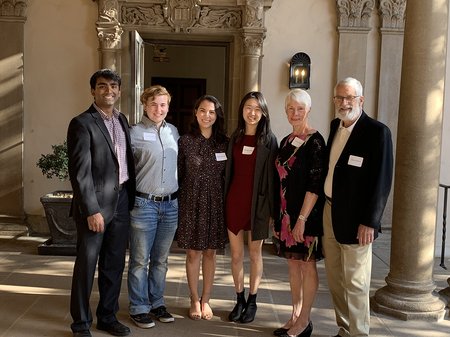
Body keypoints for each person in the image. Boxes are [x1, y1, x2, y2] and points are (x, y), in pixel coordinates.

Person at [67, 69, 136, 337]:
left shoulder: (122, 121)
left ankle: (107, 317)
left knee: (114, 264)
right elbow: (80, 173)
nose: (109, 90)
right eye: (102, 86)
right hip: (95, 206)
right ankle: (81, 324)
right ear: (93, 91)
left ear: (119, 91)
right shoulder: (82, 123)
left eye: (113, 86)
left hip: (121, 202)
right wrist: (91, 210)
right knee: (87, 264)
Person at [323, 77, 393, 337]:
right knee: (335, 280)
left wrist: (371, 222)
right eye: (339, 97)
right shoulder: (335, 126)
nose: (344, 102)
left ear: (360, 100)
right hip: (330, 213)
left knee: (356, 282)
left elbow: (382, 182)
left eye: (349, 97)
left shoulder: (377, 132)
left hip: (358, 221)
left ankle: (360, 333)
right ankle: (345, 329)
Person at [273, 89, 326, 337]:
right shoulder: (285, 141)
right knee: (293, 266)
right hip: (286, 216)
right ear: (285, 111)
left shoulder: (316, 141)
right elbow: (279, 182)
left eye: (300, 109)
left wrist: (302, 220)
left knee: (307, 265)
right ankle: (294, 315)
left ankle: (305, 320)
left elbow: (315, 185)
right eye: (291, 109)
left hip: (306, 216)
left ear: (309, 110)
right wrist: (278, 217)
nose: (295, 113)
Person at [127, 85, 179, 329]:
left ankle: (157, 302)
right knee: (140, 260)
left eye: (163, 104)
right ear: (145, 105)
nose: (159, 109)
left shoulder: (175, 132)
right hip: (144, 204)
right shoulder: (133, 133)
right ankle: (139, 307)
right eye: (154, 104)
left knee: (161, 260)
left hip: (170, 205)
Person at [225, 91, 278, 323]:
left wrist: (272, 213)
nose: (252, 112)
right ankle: (239, 299)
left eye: (257, 108)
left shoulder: (269, 140)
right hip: (234, 202)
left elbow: (274, 179)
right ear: (242, 110)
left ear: (263, 112)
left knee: (255, 254)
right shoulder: (234, 138)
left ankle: (253, 300)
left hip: (259, 205)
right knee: (236, 255)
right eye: (248, 107)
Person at [177, 95, 229, 321]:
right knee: (193, 252)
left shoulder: (224, 142)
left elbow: (228, 177)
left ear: (217, 116)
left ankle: (206, 299)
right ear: (196, 112)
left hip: (215, 203)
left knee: (210, 252)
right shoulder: (185, 141)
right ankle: (193, 298)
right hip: (191, 202)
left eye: (212, 112)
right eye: (203, 111)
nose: (207, 116)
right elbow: (179, 175)